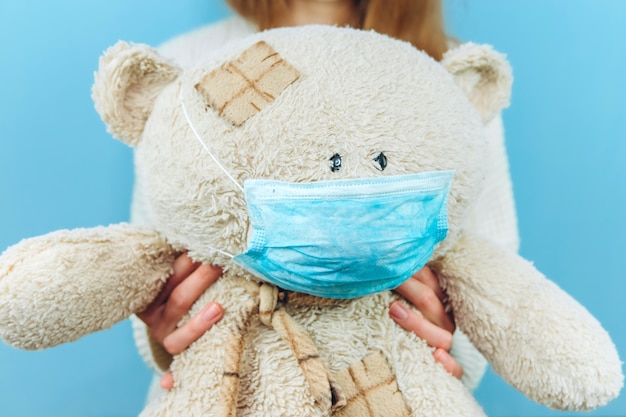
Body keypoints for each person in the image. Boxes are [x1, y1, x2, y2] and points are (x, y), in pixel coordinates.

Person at [130, 0, 519, 402]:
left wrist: (452, 345)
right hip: (232, 383)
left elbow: (494, 265)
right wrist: (164, 330)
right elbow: (156, 247)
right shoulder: (193, 63)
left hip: (391, 381)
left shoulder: (443, 72)